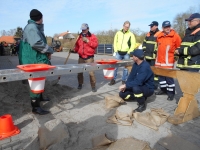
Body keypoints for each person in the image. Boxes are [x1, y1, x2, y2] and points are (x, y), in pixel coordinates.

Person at [18, 9, 54, 115]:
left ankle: (40, 97)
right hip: (32, 59)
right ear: (40, 18)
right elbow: (36, 43)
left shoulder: (33, 27)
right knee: (35, 81)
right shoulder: (32, 28)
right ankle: (36, 107)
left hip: (35, 57)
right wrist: (49, 50)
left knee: (40, 78)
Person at [155, 21, 181, 101]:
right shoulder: (159, 36)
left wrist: (175, 58)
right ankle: (163, 90)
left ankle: (171, 94)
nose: (167, 28)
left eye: (169, 26)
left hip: (168, 62)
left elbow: (179, 48)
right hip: (159, 62)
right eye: (166, 27)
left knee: (169, 79)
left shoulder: (175, 36)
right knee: (161, 79)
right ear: (162, 28)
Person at [109, 21, 136, 86]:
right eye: (125, 26)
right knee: (115, 67)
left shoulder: (131, 34)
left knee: (126, 68)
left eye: (128, 27)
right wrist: (115, 50)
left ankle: (124, 80)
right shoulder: (118, 33)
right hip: (118, 53)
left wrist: (129, 51)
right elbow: (115, 42)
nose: (126, 28)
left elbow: (133, 44)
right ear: (123, 26)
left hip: (126, 53)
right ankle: (113, 79)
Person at [73, 23, 98, 92]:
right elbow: (77, 47)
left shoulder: (92, 36)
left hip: (89, 57)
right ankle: (80, 83)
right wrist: (74, 50)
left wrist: (88, 41)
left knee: (91, 73)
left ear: (88, 29)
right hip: (81, 57)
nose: (83, 31)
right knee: (79, 72)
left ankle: (93, 86)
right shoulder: (79, 37)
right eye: (82, 29)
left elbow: (95, 45)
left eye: (84, 29)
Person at [142, 21, 161, 90]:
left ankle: (155, 85)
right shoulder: (148, 34)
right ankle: (148, 83)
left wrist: (156, 51)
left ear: (156, 26)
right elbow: (144, 43)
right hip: (147, 56)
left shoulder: (159, 34)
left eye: (152, 26)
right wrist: (144, 50)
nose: (150, 27)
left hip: (154, 57)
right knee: (147, 70)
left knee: (155, 72)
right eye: (150, 26)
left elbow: (160, 45)